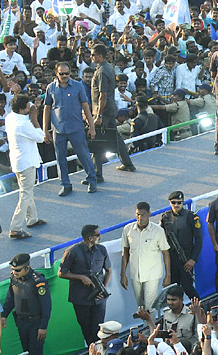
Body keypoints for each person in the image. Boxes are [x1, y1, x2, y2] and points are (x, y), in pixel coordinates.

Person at [43, 62, 97, 195]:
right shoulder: (51, 88)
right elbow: (47, 109)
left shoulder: (78, 87)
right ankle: (65, 184)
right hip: (58, 129)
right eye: (61, 74)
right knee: (60, 159)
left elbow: (85, 107)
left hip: (76, 127)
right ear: (56, 73)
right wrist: (45, 130)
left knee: (84, 155)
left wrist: (92, 127)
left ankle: (92, 180)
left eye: (67, 73)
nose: (65, 76)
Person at [59, 224, 111, 346]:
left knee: (98, 330)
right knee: (87, 330)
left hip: (99, 299)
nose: (100, 237)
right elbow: (61, 273)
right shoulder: (72, 252)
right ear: (90, 238)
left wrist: (104, 288)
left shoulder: (101, 250)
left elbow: (109, 270)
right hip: (81, 299)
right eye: (97, 235)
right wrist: (81, 277)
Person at [89, 44, 136, 178]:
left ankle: (97, 175)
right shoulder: (109, 67)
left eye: (93, 55)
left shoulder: (102, 71)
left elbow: (103, 95)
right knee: (115, 137)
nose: (92, 57)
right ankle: (127, 163)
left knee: (97, 141)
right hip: (109, 108)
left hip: (103, 110)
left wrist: (99, 115)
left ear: (99, 56)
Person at [4, 94, 46, 239]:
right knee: (25, 194)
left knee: (27, 191)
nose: (31, 106)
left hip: (18, 161)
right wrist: (34, 119)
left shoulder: (10, 117)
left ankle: (32, 219)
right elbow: (41, 138)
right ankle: (15, 228)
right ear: (22, 110)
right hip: (26, 163)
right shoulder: (24, 124)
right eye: (28, 105)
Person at [2, 252, 51, 355]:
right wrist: (4, 315)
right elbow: (10, 298)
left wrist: (43, 327)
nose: (14, 272)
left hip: (35, 323)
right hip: (21, 322)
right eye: (13, 270)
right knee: (27, 353)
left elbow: (46, 306)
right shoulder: (13, 278)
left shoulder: (38, 281)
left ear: (27, 268)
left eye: (17, 270)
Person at [122, 201, 172, 316]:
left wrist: (168, 275)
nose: (140, 217)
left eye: (143, 214)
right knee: (140, 306)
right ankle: (147, 329)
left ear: (149, 214)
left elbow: (165, 253)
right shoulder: (127, 230)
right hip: (135, 274)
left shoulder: (158, 231)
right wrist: (122, 274)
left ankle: (151, 331)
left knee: (150, 306)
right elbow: (125, 252)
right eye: (137, 214)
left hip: (152, 275)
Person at [161, 190, 203, 297]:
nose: (176, 205)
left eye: (179, 202)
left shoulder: (191, 217)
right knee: (173, 289)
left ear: (183, 202)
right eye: (173, 202)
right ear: (170, 203)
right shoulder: (165, 217)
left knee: (187, 287)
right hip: (172, 259)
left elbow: (198, 239)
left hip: (186, 259)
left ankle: (200, 310)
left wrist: (193, 259)